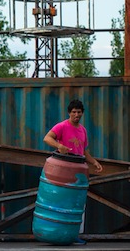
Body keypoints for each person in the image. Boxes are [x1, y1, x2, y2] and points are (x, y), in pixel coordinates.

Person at [43, 99, 104, 245]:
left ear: (82, 113)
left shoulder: (83, 130)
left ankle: (74, 234)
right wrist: (59, 145)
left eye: (79, 112)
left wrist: (94, 162)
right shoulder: (62, 126)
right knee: (62, 203)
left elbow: (83, 151)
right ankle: (57, 233)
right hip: (64, 167)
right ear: (69, 113)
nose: (76, 114)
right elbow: (47, 138)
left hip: (78, 169)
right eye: (74, 112)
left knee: (77, 204)